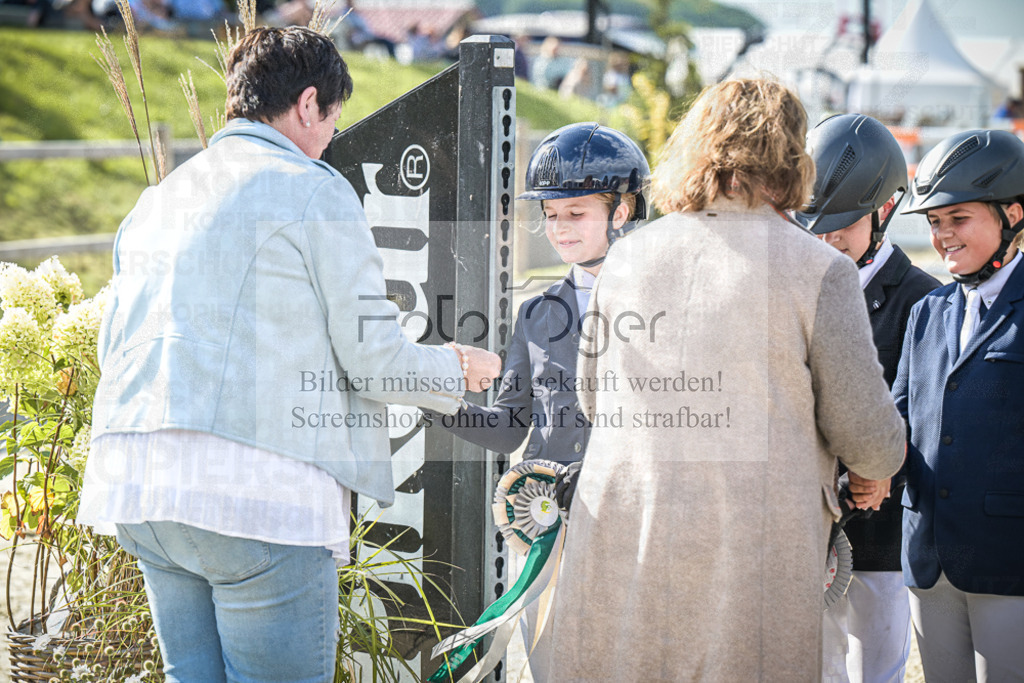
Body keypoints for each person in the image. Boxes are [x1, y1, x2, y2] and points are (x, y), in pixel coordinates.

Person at [78, 27, 499, 681]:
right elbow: (375, 361)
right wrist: (456, 367)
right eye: (332, 119)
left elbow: (114, 343)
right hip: (254, 495)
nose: (330, 136)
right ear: (309, 104)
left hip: (138, 483)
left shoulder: (159, 198)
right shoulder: (314, 188)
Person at [544, 79, 905, 680]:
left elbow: (592, 394)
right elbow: (866, 431)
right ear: (791, 155)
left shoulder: (626, 256)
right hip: (751, 541)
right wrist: (873, 469)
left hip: (630, 528)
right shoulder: (820, 267)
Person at [428, 121, 649, 682]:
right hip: (549, 529)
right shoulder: (535, 313)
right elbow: (508, 428)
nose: (559, 228)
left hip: (635, 528)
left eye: (575, 213)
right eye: (550, 216)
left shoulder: (658, 304)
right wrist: (435, 398)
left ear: (621, 212)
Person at [794, 113, 939, 683]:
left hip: (878, 540)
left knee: (875, 672)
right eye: (817, 227)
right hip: (805, 530)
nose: (827, 242)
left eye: (843, 228)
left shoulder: (923, 300)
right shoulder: (797, 285)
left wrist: (875, 475)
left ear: (884, 213)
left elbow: (921, 417)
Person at [894, 128, 1024, 682]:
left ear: (1012, 214)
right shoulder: (928, 310)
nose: (943, 236)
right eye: (934, 223)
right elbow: (897, 418)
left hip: (1008, 559)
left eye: (959, 218)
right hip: (927, 554)